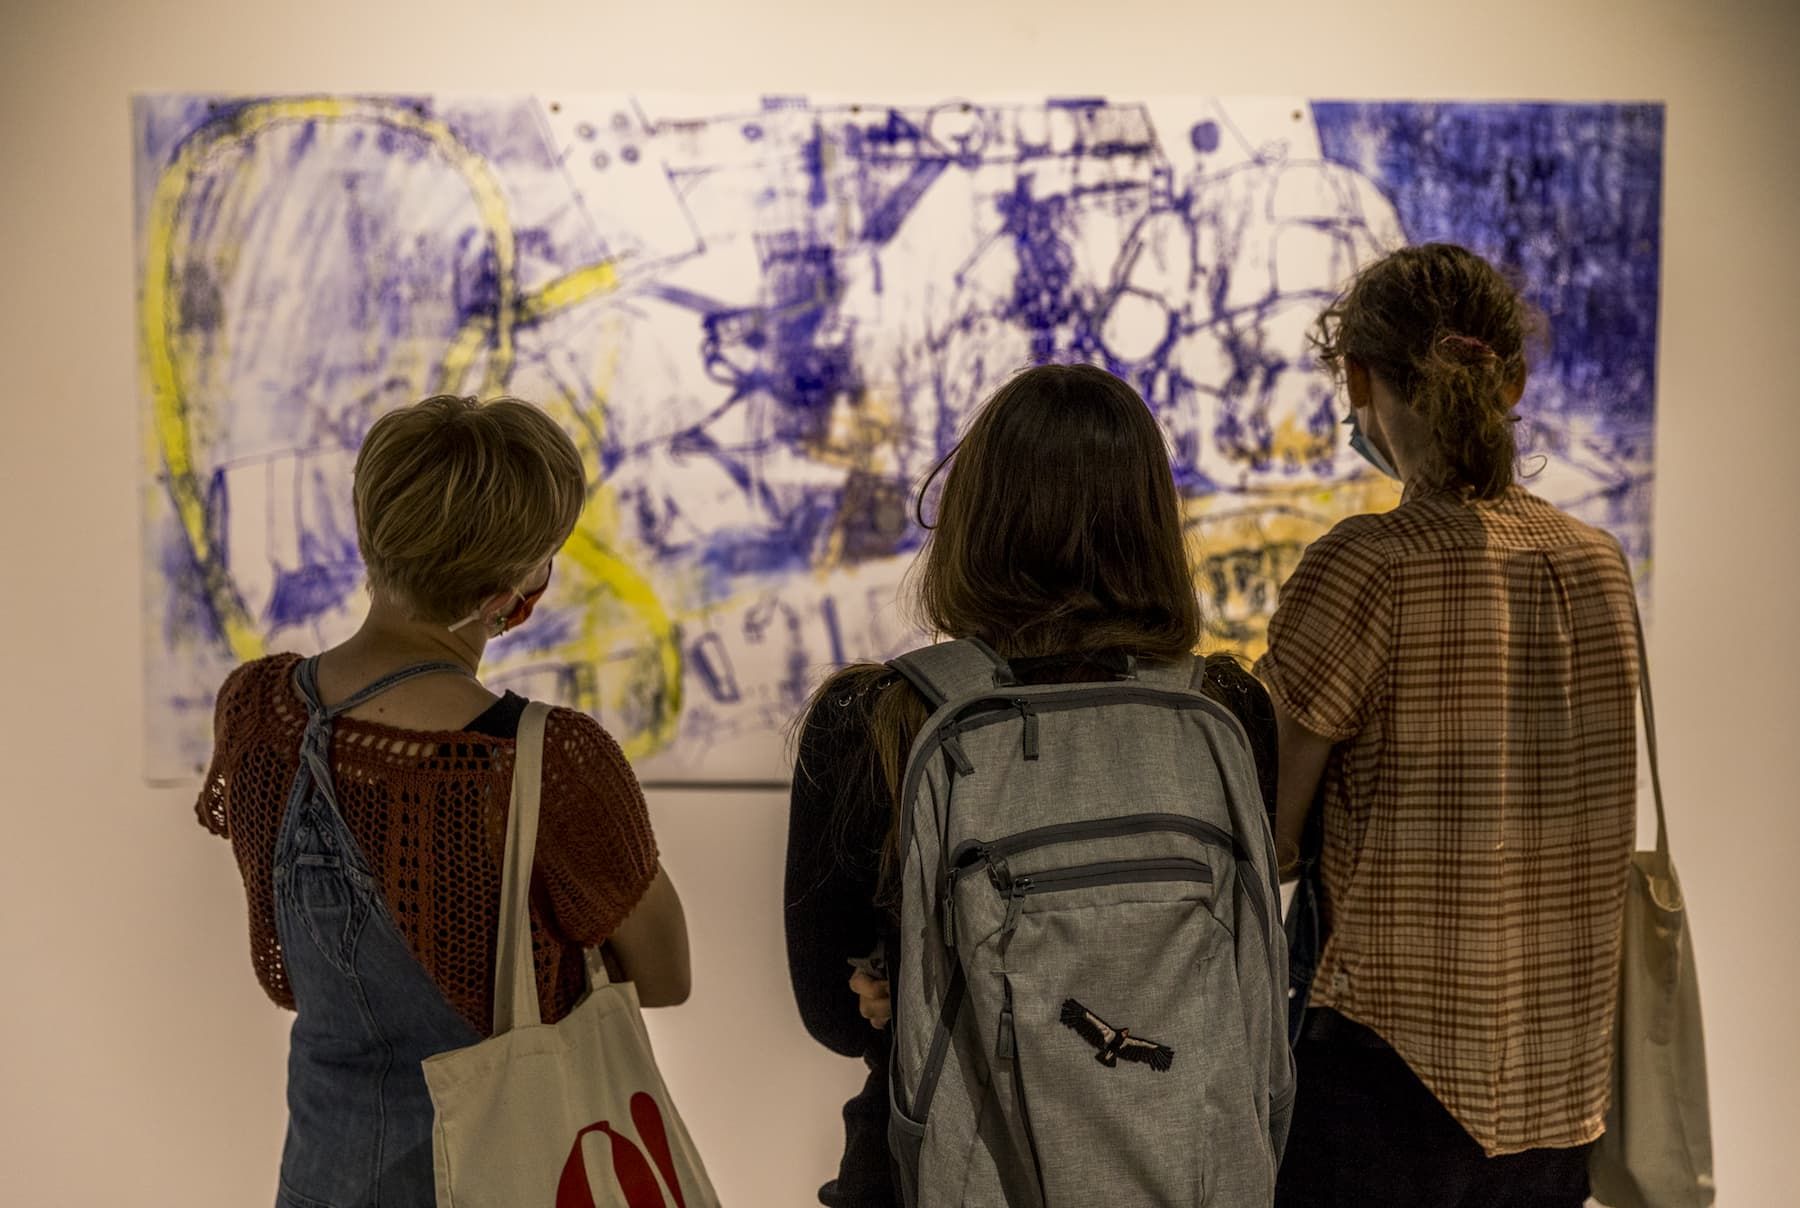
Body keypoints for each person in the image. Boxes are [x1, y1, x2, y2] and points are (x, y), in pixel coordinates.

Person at [783, 363, 1279, 1208]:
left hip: (943, 1172)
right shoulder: (1224, 710)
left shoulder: (878, 716)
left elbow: (835, 1013)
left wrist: (896, 981)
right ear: (1154, 523)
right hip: (1186, 1166)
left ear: (973, 516)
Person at [195, 395, 691, 1208]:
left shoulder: (257, 710)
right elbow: (665, 974)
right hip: (503, 1175)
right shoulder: (548, 757)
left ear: (371, 524)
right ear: (516, 587)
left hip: (320, 1176)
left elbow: (301, 976)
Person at [1260, 244, 1640, 1206]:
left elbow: (1269, 832)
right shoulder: (1600, 565)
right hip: (1564, 1090)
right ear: (1513, 378)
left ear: (1357, 381)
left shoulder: (1368, 565)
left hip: (1391, 1078)